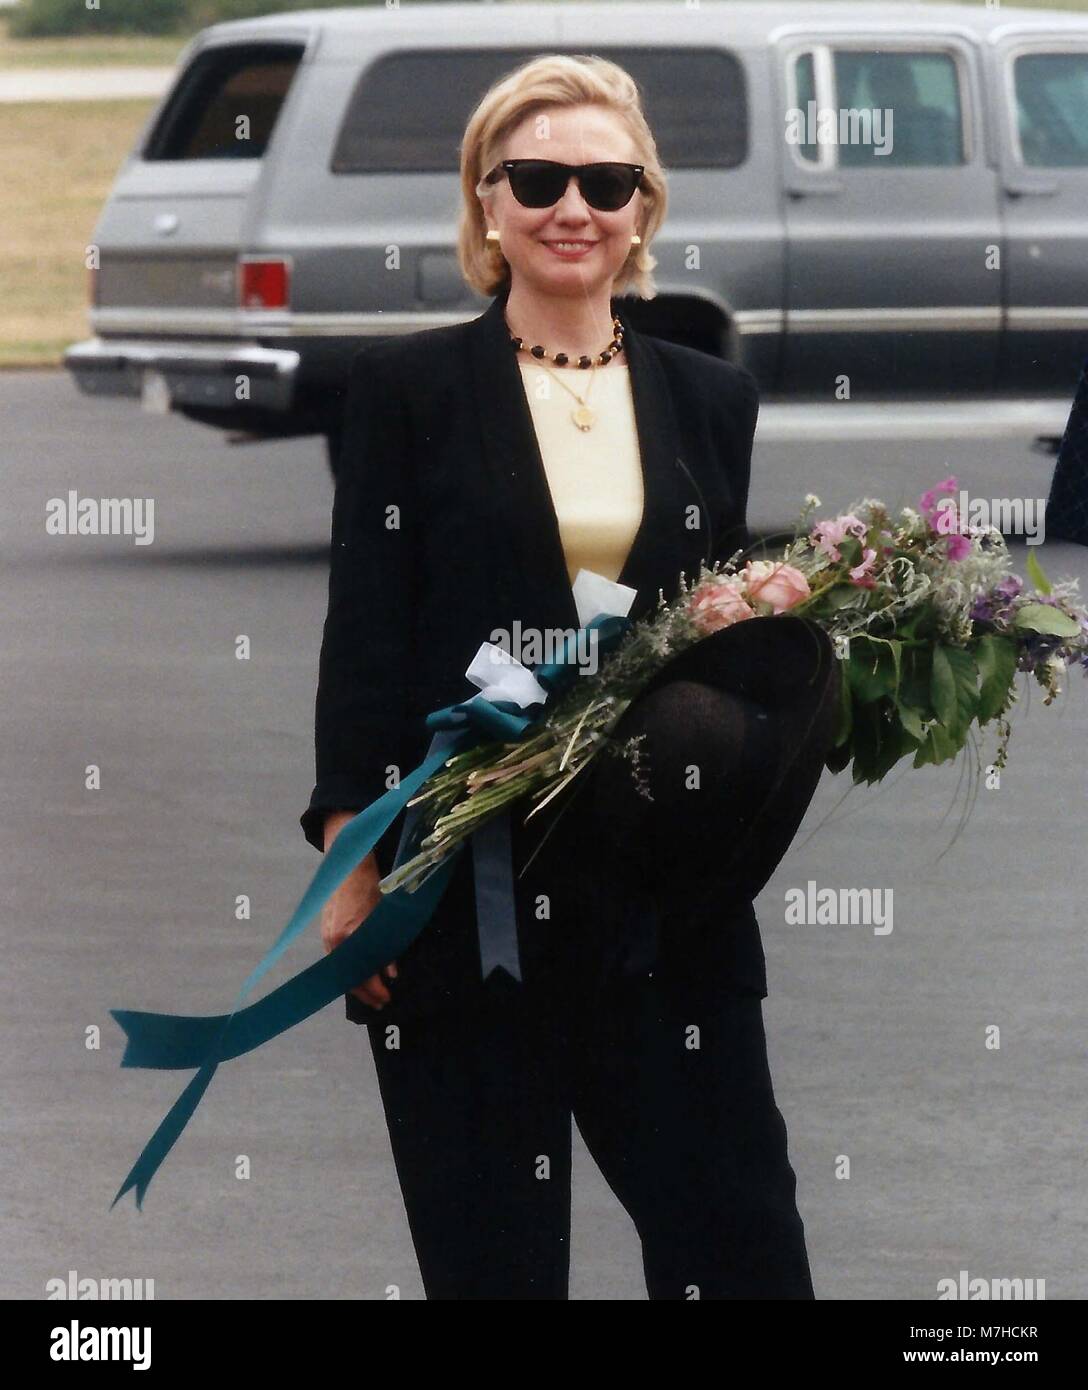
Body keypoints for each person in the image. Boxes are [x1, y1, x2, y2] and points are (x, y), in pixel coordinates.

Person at [301, 54, 818, 1299]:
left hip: (664, 907)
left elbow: (705, 642)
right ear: (485, 203)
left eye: (604, 180)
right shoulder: (405, 389)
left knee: (738, 1244)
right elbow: (367, 638)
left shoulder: (709, 396)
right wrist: (348, 861)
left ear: (644, 207)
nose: (570, 207)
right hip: (463, 894)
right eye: (535, 179)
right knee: (492, 1264)